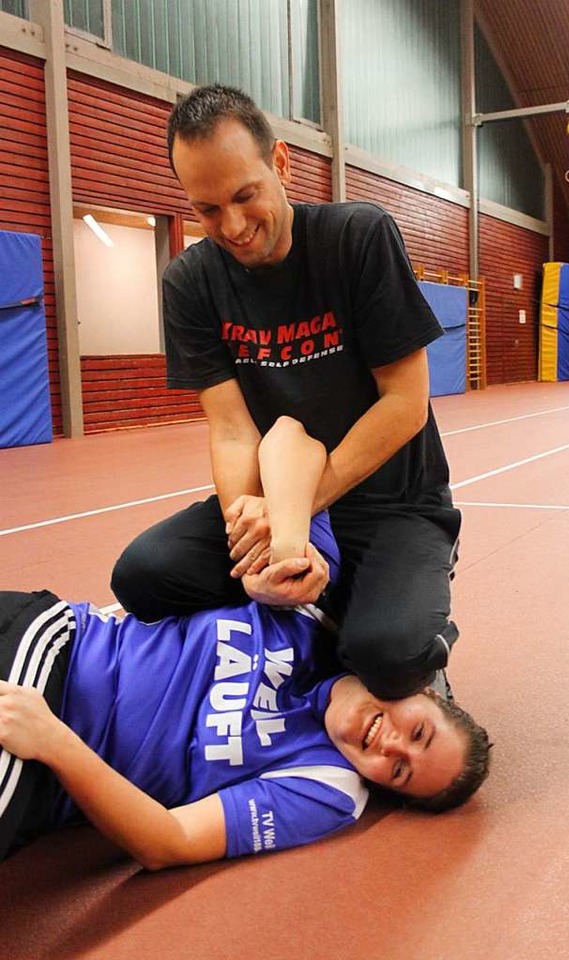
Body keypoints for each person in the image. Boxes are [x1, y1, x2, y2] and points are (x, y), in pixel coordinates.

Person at [0, 418, 491, 868]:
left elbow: (171, 841)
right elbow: (288, 436)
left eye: (399, 772)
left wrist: (55, 743)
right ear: (423, 692)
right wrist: (282, 534)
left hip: (41, 752)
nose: (390, 746)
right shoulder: (319, 604)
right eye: (418, 733)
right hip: (57, 646)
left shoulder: (324, 786)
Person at [111, 83, 462, 702]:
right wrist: (256, 540)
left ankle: (388, 632)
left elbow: (404, 405)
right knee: (143, 575)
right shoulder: (191, 282)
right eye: (208, 210)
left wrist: (290, 521)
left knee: (388, 655)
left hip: (393, 503)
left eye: (245, 196)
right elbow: (230, 429)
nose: (235, 226)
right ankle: (317, 617)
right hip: (282, 499)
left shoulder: (359, 238)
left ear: (280, 164)